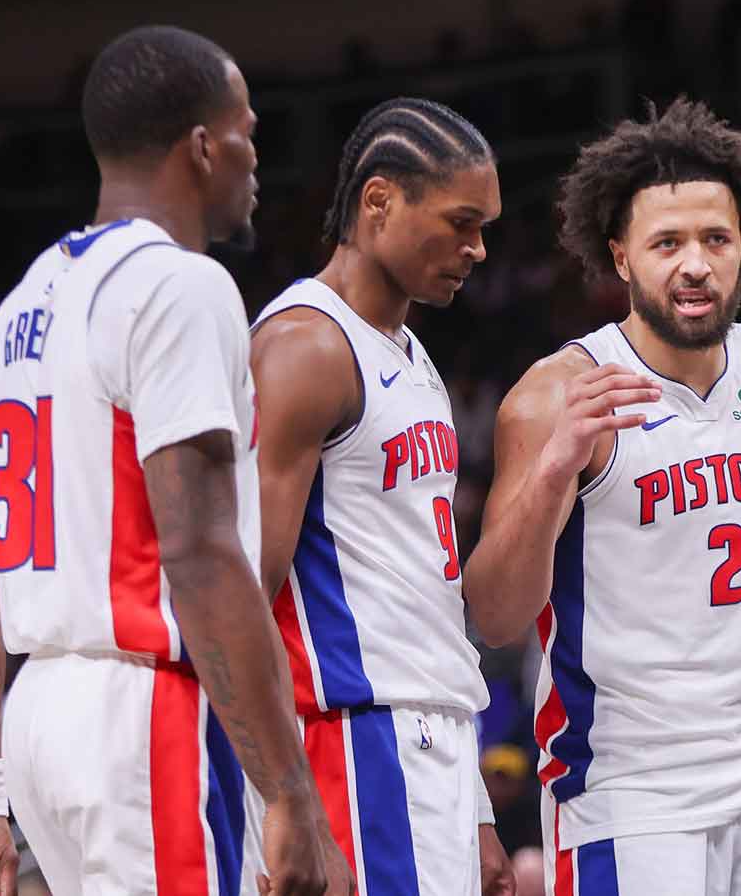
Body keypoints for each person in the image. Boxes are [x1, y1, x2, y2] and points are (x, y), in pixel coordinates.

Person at [464, 96, 741, 894]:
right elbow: (494, 615)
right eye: (666, 243)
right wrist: (550, 473)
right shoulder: (557, 394)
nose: (695, 264)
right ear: (620, 257)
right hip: (629, 790)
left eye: (716, 239)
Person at [0, 25, 333, 896]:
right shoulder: (181, 285)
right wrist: (290, 790)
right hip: (142, 710)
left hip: (40, 712)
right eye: (246, 135)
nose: (254, 159)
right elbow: (198, 552)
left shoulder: (28, 298)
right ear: (199, 148)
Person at [251, 97, 514, 896]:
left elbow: (423, 603)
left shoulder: (408, 351)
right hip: (353, 743)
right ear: (378, 202)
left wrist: (473, 809)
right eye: (461, 222)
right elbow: (241, 587)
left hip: (428, 740)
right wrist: (280, 793)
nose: (476, 248)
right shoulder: (304, 347)